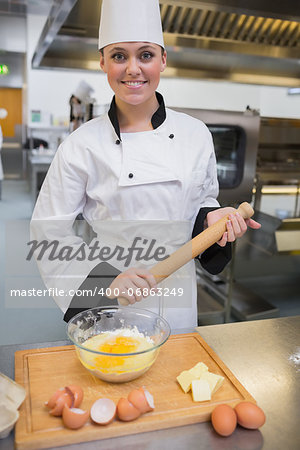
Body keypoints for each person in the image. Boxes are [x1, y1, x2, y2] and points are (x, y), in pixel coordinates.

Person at [30, 0, 260, 329]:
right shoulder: (80, 146)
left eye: (146, 55)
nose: (133, 69)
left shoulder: (195, 134)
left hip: (180, 300)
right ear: (102, 62)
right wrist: (104, 283)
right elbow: (47, 233)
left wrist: (212, 218)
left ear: (163, 59)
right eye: (119, 56)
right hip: (115, 301)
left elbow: (201, 203)